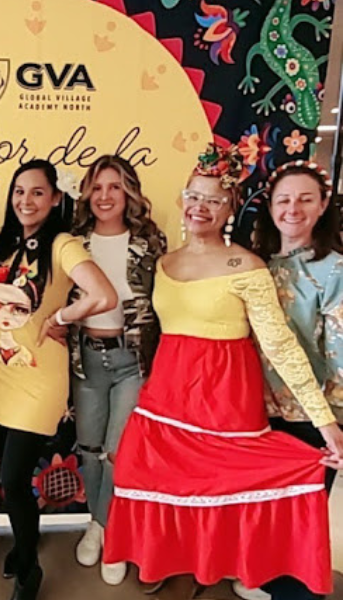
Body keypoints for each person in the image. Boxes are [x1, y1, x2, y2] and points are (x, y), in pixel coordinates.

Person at [102, 144, 343, 599]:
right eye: (195, 195)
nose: (202, 207)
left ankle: (232, 566)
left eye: (214, 199)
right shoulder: (165, 262)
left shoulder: (248, 266)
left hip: (224, 394)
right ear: (182, 199)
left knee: (222, 485)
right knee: (148, 474)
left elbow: (279, 343)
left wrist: (324, 421)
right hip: (169, 393)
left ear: (230, 206)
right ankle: (164, 559)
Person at [0, 159, 117, 600]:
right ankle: (23, 543)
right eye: (19, 191)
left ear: (55, 198)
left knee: (16, 479)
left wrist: (59, 316)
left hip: (37, 384)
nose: (26, 201)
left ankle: (29, 571)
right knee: (3, 474)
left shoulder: (62, 244)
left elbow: (103, 295)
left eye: (37, 192)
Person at [240, 160, 343, 600]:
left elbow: (339, 351)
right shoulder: (257, 265)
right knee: (268, 521)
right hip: (258, 415)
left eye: (305, 199)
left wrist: (334, 424)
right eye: (284, 199)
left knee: (300, 531)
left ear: (322, 206)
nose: (293, 209)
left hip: (312, 419)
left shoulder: (334, 269)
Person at [68, 155, 166, 585]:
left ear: (129, 193)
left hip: (132, 362)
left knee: (116, 453)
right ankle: (96, 520)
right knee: (88, 449)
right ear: (87, 194)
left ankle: (111, 532)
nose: (105, 196)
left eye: (115, 187)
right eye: (98, 187)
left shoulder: (150, 242)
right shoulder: (73, 241)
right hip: (86, 358)